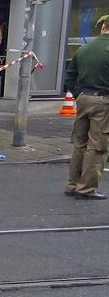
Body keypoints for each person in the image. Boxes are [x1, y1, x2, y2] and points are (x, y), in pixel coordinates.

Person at [63, 13, 109, 200]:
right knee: (97, 146)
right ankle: (87, 188)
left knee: (79, 143)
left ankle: (72, 184)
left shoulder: (84, 49)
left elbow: (69, 76)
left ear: (103, 27)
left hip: (83, 99)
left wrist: (78, 94)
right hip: (104, 101)